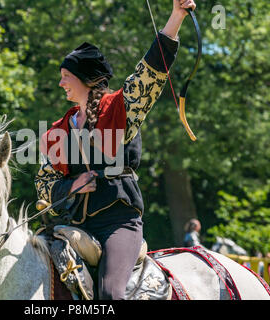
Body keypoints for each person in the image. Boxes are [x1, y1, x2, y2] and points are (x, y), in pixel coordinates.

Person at [35, 0, 197, 300]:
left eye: (66, 77)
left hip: (118, 225)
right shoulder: (60, 129)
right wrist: (72, 186)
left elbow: (149, 75)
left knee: (110, 294)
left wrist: (176, 17)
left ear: (86, 80)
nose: (60, 84)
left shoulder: (118, 110)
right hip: (73, 226)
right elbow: (43, 186)